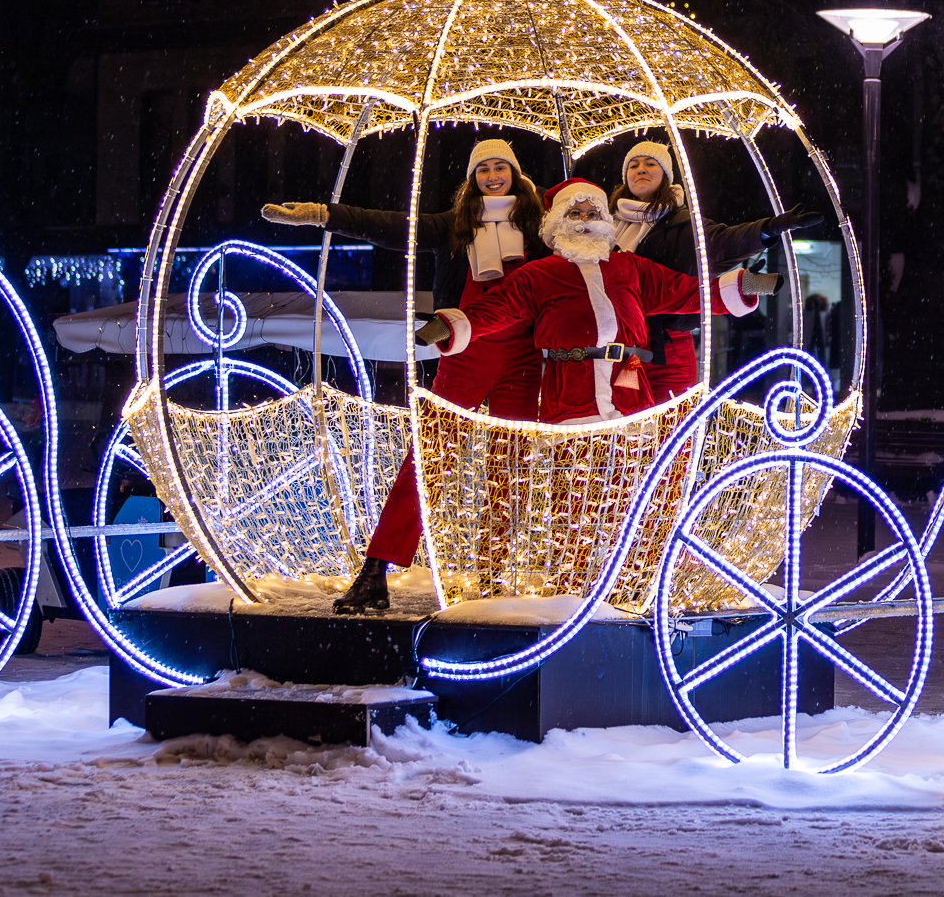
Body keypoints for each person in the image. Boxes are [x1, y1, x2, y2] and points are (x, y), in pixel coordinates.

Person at [262, 137, 547, 614]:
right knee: (426, 462)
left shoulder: (540, 228)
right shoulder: (455, 227)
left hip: (522, 357)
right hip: (465, 351)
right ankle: (376, 570)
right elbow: (389, 226)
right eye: (483, 169)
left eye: (501, 167)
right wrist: (324, 215)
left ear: (516, 174)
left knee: (512, 469)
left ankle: (495, 574)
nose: (492, 175)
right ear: (473, 179)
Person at [424, 177, 783, 424]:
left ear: (604, 221)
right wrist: (449, 325)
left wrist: (751, 282)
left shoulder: (628, 266)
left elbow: (689, 291)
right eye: (574, 214)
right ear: (557, 222)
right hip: (568, 395)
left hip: (629, 392)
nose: (584, 221)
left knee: (629, 495)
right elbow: (497, 307)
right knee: (577, 500)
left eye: (592, 214)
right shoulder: (540, 274)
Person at [607, 139, 817, 402]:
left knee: (669, 431)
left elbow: (727, 241)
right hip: (620, 348)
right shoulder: (608, 225)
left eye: (651, 164)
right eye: (634, 165)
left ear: (666, 176)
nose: (641, 170)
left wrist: (769, 228)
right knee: (625, 431)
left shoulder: (684, 225)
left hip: (667, 350)